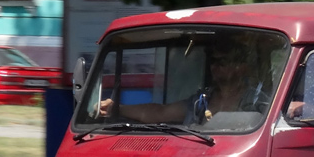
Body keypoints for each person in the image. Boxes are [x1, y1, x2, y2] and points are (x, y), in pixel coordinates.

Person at [97, 44, 267, 124]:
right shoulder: (200, 101)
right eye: (213, 61)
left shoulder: (255, 102)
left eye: (223, 61)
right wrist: (117, 108)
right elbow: (160, 113)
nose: (215, 66)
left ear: (242, 67)